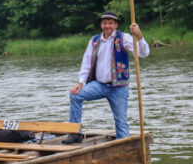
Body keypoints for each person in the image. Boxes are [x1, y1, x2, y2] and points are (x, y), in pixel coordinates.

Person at [63, 10, 149, 143]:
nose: (107, 26)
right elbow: (86, 62)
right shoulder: (95, 40)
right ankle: (75, 133)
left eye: (110, 23)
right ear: (101, 25)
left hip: (118, 87)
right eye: (104, 23)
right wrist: (80, 83)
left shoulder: (124, 38)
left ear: (116, 25)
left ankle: (123, 145)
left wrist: (139, 36)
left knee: (121, 123)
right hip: (99, 85)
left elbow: (144, 53)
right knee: (75, 95)